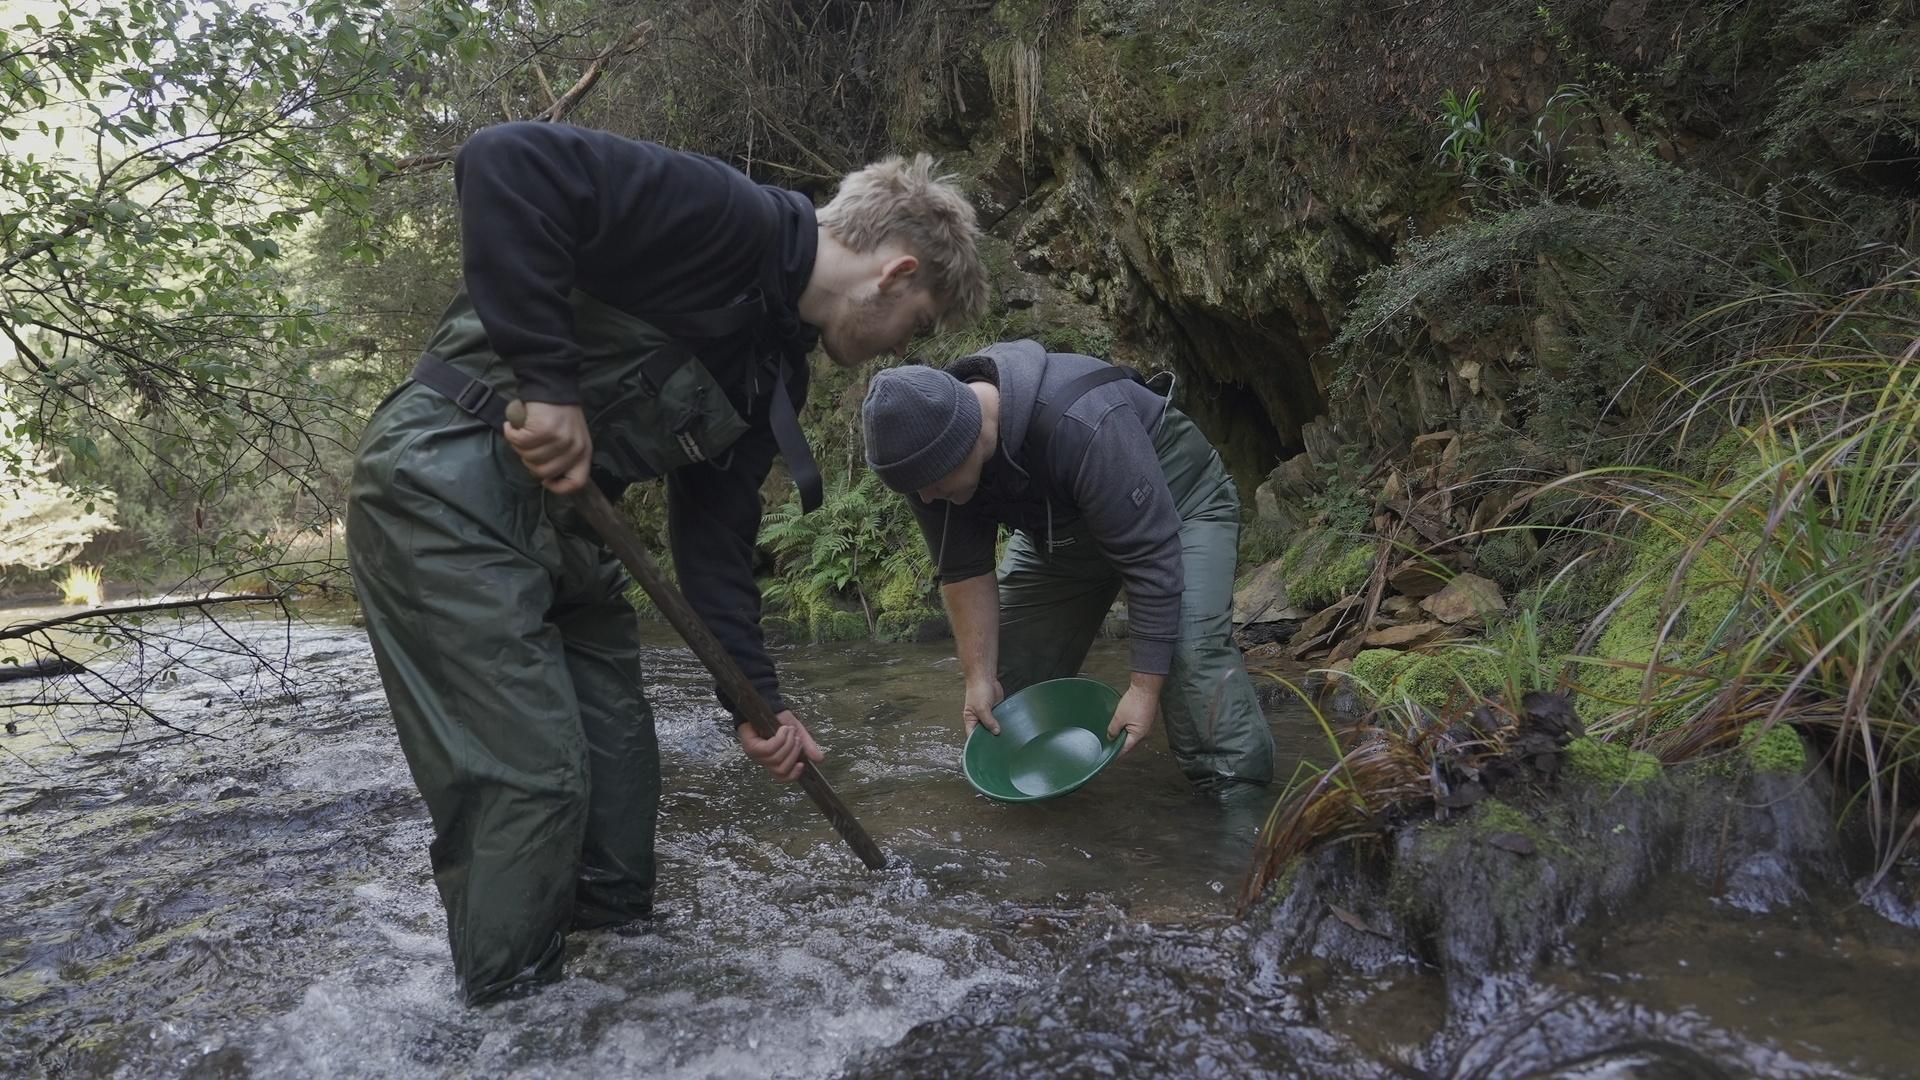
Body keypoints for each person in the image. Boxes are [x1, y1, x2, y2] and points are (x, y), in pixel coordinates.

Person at [345, 121, 985, 1005]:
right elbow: (505, 164)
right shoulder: (724, 215)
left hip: (570, 534)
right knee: (531, 782)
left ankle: (619, 1003)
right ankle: (511, 1025)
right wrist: (549, 383)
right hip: (443, 486)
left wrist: (756, 703)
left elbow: (715, 545)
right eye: (914, 327)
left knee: (618, 782)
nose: (901, 348)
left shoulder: (775, 376)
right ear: (897, 272)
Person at [860, 340, 1273, 797]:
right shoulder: (926, 465)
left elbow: (1151, 558)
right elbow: (963, 571)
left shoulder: (1083, 420)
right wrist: (978, 678)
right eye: (915, 492)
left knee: (1189, 657)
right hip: (1064, 532)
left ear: (968, 438)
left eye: (933, 487)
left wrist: (1142, 689)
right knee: (1004, 696)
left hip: (1177, 507)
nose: (926, 501)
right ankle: (1035, 819)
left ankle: (1242, 809)